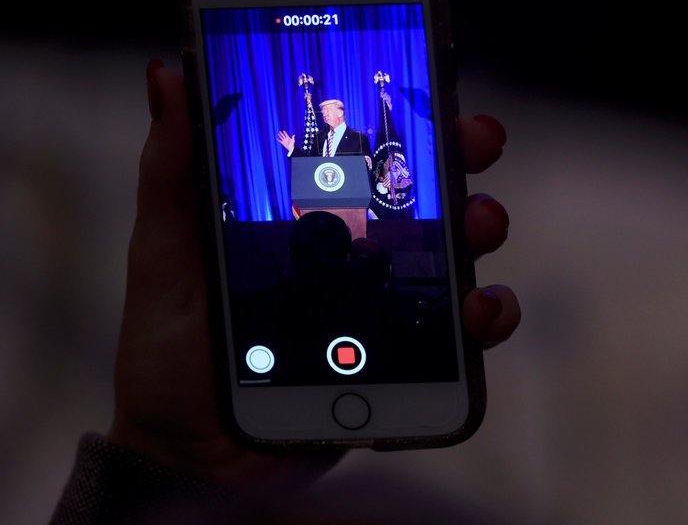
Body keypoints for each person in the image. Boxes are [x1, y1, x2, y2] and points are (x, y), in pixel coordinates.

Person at [50, 60, 520, 523]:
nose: (328, 115)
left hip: (355, 221)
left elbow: (369, 170)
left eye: (331, 110)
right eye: (326, 111)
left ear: (341, 113)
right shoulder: (315, 143)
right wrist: (164, 455)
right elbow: (310, 172)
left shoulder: (359, 138)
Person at [276, 99, 371, 158]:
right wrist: (292, 149)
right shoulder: (319, 137)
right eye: (323, 113)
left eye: (327, 111)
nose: (324, 115)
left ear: (340, 113)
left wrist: (367, 162)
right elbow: (310, 163)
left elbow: (369, 165)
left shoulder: (358, 138)